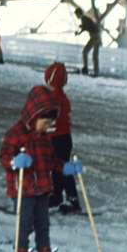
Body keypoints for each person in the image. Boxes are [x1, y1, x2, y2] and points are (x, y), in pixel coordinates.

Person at [0, 85, 83, 252]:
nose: (47, 126)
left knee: (43, 225)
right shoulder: (16, 133)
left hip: (43, 189)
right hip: (24, 191)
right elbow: (3, 156)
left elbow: (52, 161)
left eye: (50, 122)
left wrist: (66, 167)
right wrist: (15, 162)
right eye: (45, 122)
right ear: (33, 115)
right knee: (24, 225)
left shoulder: (45, 138)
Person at [45, 61, 81, 213]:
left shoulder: (53, 99)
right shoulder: (62, 98)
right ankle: (57, 194)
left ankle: (73, 199)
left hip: (57, 138)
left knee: (63, 169)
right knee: (57, 168)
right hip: (63, 138)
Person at [75, 7, 101, 76]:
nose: (76, 16)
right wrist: (82, 27)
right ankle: (96, 72)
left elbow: (85, 27)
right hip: (98, 36)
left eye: (76, 15)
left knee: (85, 51)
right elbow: (87, 26)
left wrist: (79, 32)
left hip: (94, 36)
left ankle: (85, 68)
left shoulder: (83, 18)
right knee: (95, 55)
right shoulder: (85, 18)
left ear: (78, 13)